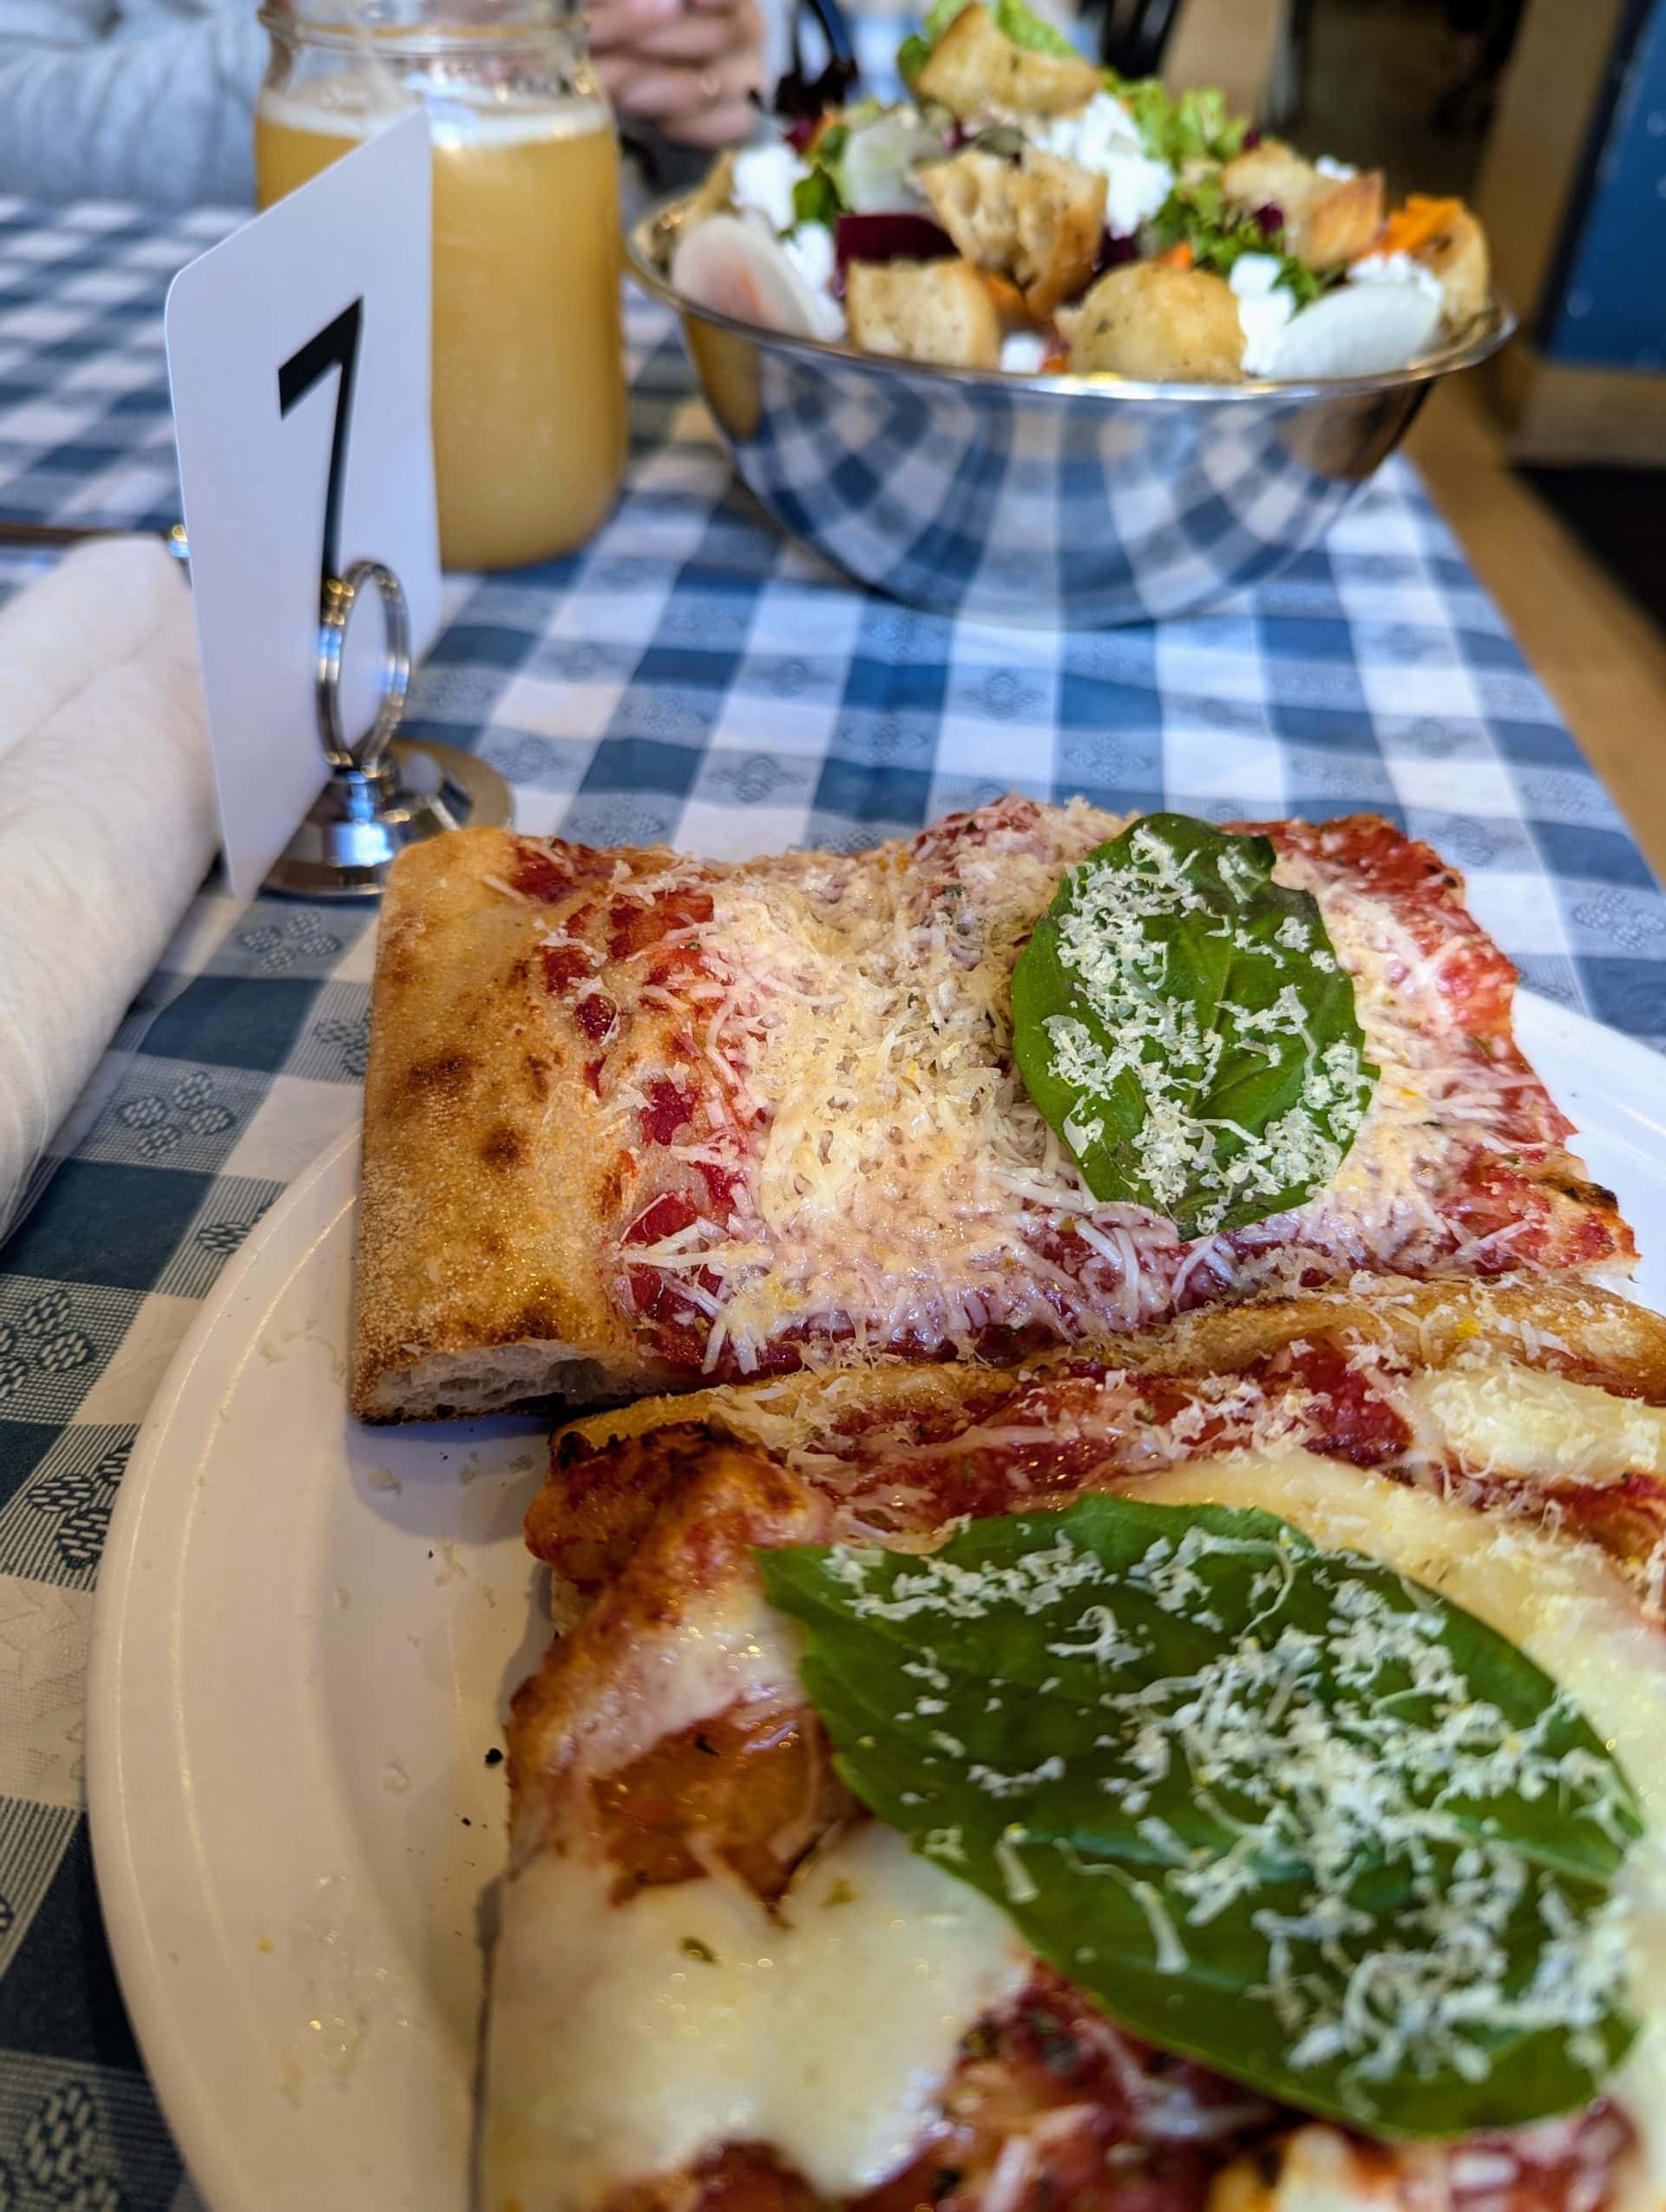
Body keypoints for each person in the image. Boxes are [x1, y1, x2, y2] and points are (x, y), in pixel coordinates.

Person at [0, 0, 766, 206]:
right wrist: (367, 38)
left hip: (600, 344)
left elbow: (755, 79)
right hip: (209, 337)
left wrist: (706, 75)